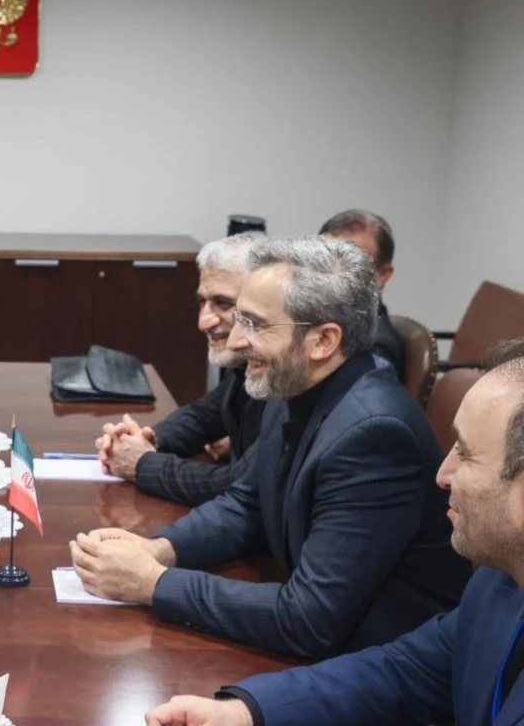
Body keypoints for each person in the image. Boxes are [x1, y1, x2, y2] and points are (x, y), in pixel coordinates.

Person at [70, 236, 470, 658]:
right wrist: (159, 550)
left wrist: (153, 583)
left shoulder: (375, 436)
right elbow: (247, 504)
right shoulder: (292, 386)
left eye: (256, 324)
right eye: (240, 319)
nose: (236, 341)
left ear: (323, 341)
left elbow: (309, 619)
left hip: (383, 665)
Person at [145, 340, 524, 726]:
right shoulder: (498, 584)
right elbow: (407, 673)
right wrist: (243, 713)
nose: (443, 475)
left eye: (466, 453)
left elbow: (311, 617)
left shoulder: (374, 427)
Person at [97, 231, 267, 505]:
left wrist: (142, 463)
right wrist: (149, 438)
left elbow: (240, 485)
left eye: (223, 303)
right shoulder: (246, 363)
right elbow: (204, 415)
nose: (203, 321)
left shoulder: (286, 376)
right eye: (202, 302)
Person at [318, 209, 404, 379]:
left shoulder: (375, 349)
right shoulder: (312, 319)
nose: (333, 273)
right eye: (326, 259)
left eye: (351, 264)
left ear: (382, 275)